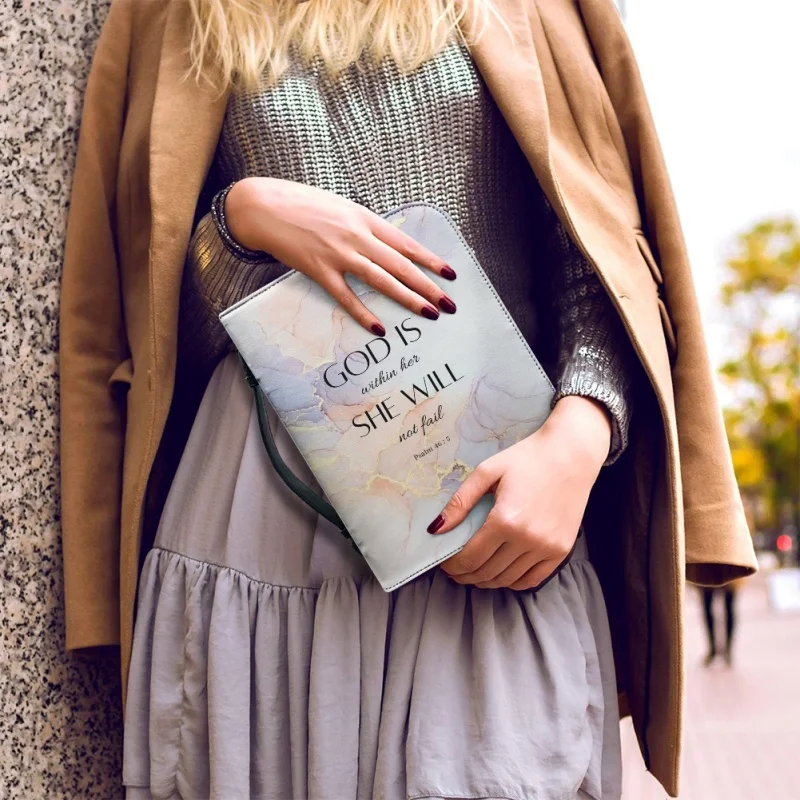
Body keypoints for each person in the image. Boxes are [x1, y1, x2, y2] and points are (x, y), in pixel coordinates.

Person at [58, 1, 759, 798]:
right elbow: (139, 327)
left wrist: (582, 432)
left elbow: (595, 247)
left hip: (493, 502)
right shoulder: (170, 11)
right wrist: (240, 221)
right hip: (259, 519)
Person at [701, 577, 746, 667]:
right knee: (709, 607)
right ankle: (714, 649)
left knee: (729, 607)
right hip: (708, 567)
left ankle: (726, 650)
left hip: (727, 566)